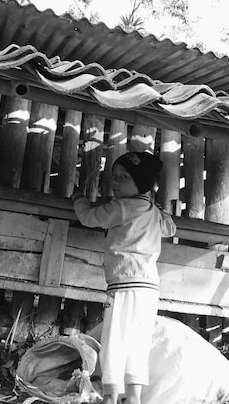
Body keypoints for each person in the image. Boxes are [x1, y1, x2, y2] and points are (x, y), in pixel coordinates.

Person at [71, 151, 177, 404]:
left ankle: (110, 397)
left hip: (124, 285)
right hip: (149, 288)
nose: (115, 182)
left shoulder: (121, 207)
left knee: (114, 339)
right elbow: (170, 229)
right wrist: (160, 209)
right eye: (114, 176)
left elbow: (89, 217)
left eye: (123, 177)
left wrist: (78, 199)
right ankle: (133, 398)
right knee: (138, 342)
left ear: (140, 182)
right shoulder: (154, 211)